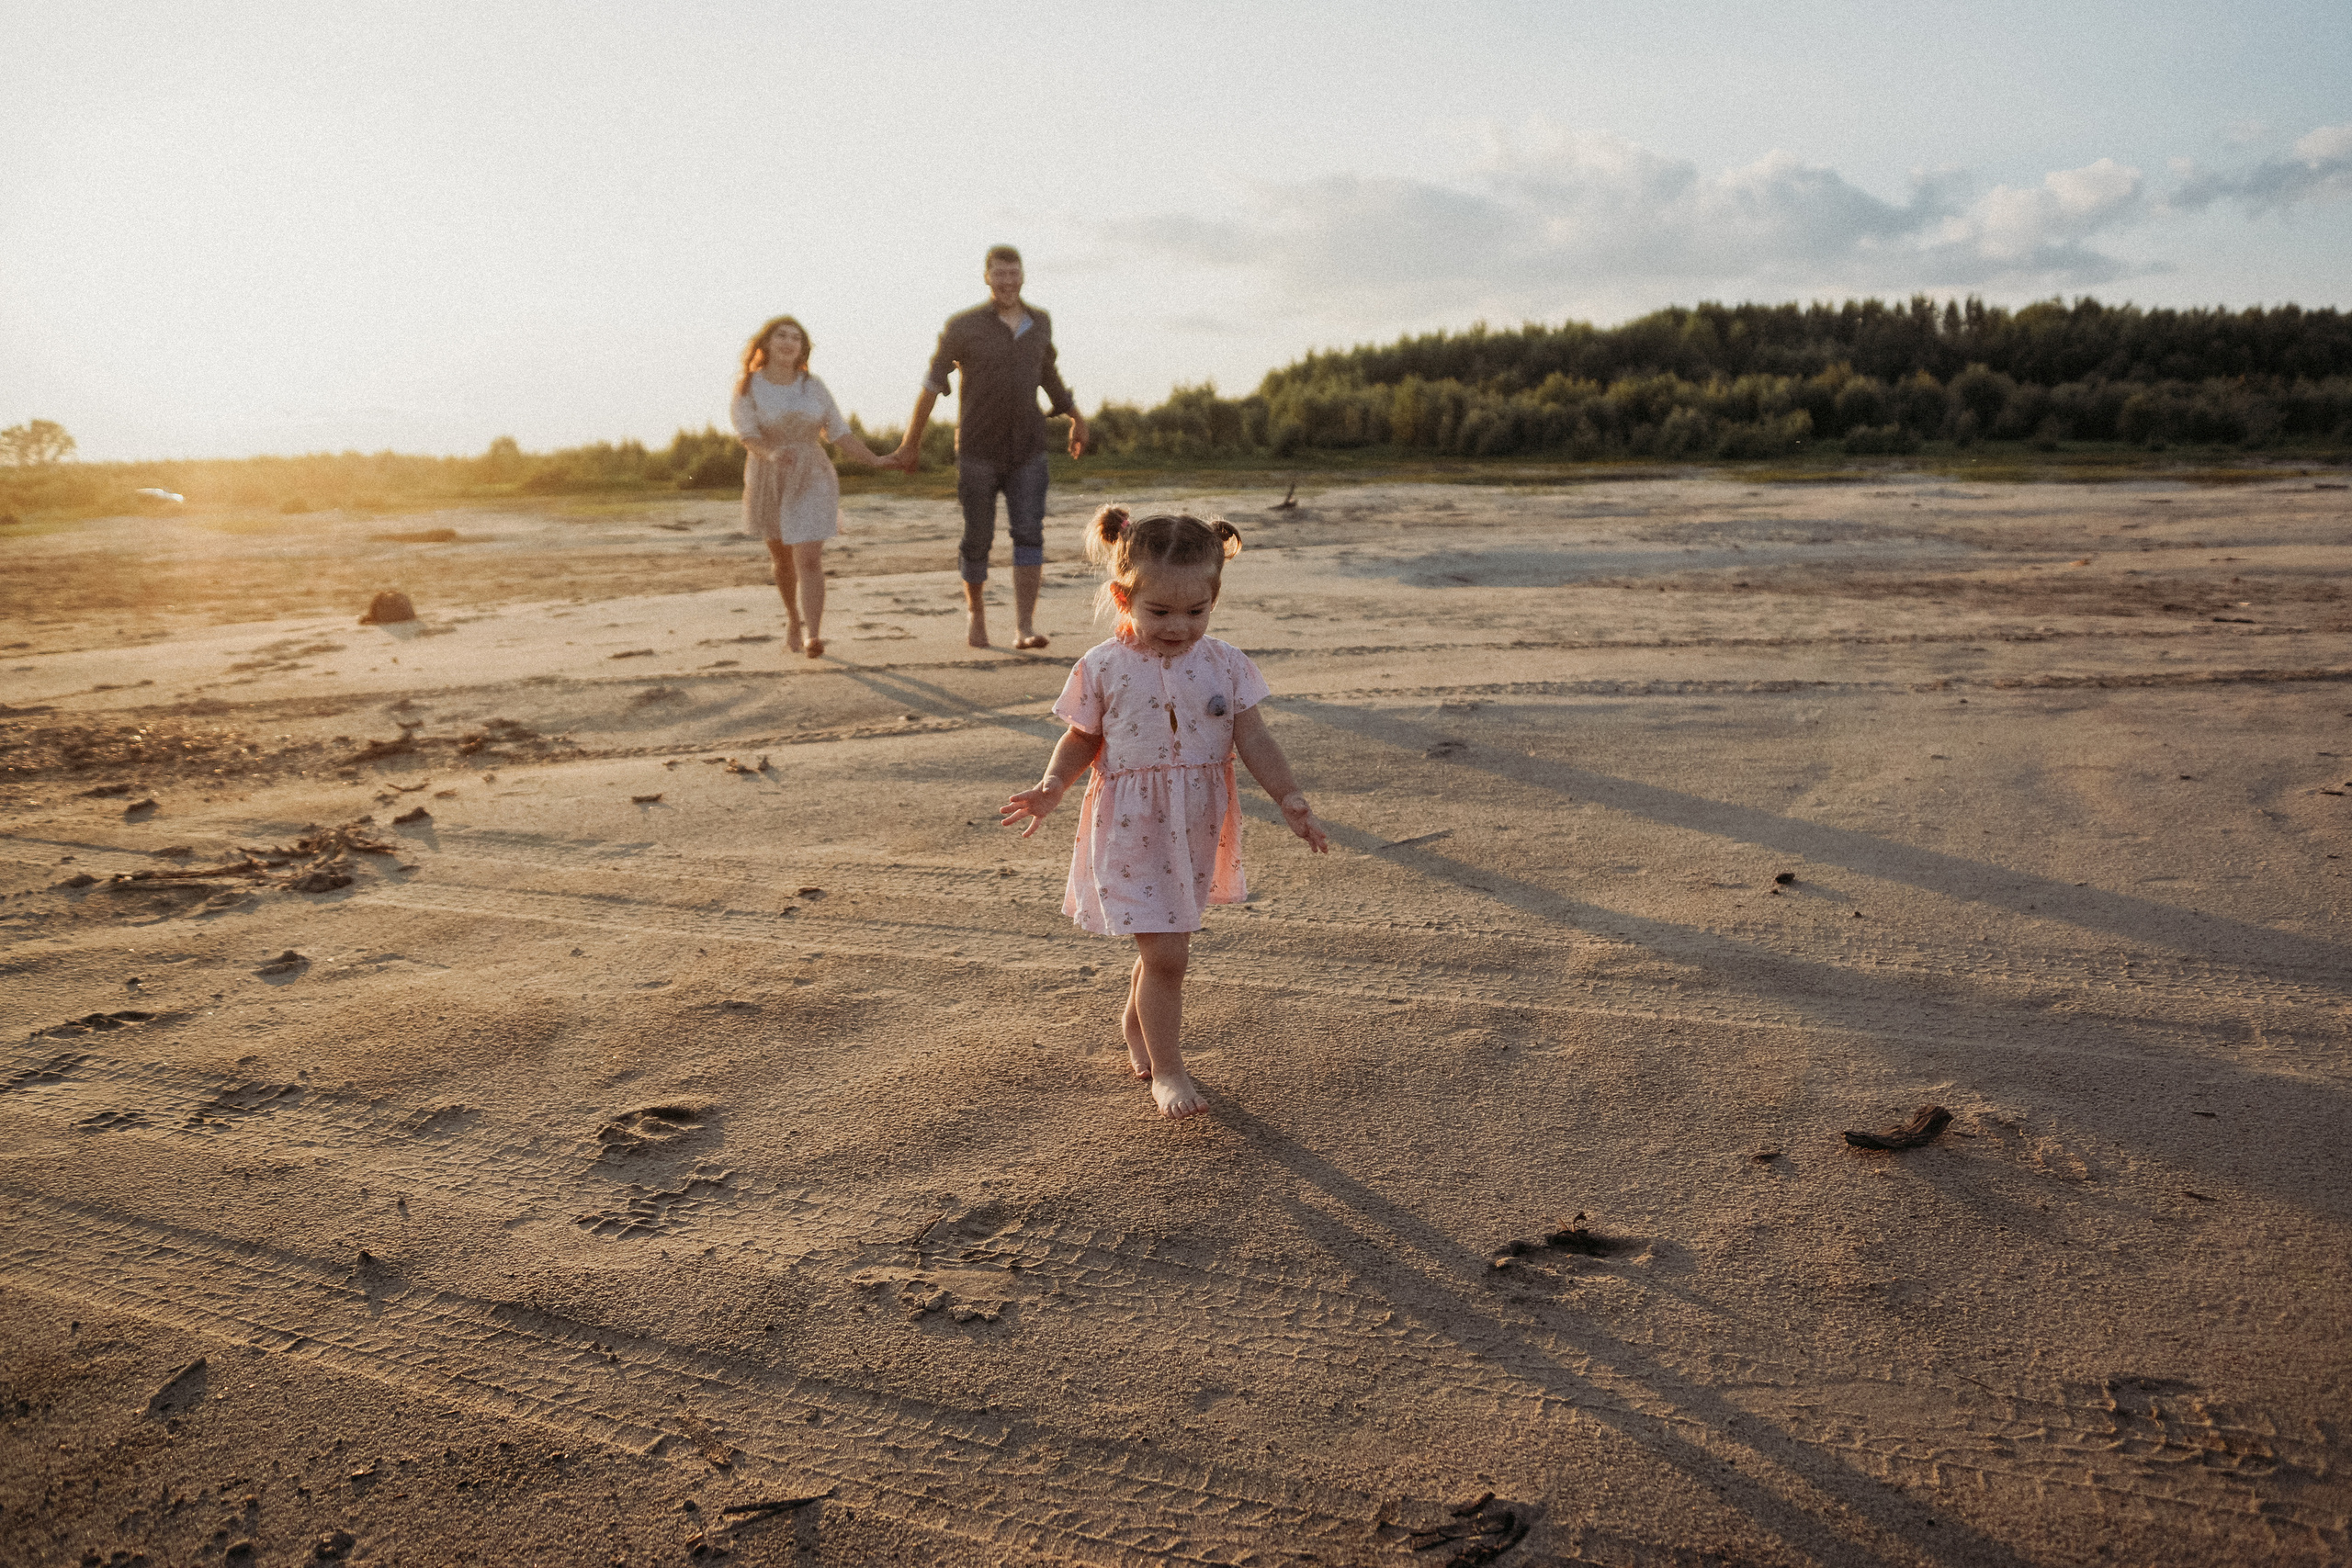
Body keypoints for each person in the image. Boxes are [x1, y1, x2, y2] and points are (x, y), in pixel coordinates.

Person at [1001, 507, 1330, 1119]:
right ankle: (1170, 1070)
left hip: (1194, 825)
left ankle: (1138, 1029)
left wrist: (1289, 796)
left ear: (1213, 598)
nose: (1179, 626)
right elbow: (1081, 738)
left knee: (1160, 946)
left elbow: (1252, 737)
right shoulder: (1103, 665)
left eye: (1195, 611)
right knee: (1168, 954)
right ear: (1123, 595)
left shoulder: (1225, 664)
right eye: (1160, 612)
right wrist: (1051, 785)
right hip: (1130, 825)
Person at [889, 245, 1089, 651]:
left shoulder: (1040, 322)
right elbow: (931, 384)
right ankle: (976, 614)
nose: (1008, 281)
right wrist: (911, 443)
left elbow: (1047, 373)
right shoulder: (963, 327)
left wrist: (1076, 418)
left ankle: (1024, 627)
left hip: (1029, 448)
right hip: (978, 448)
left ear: (1023, 276)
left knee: (1030, 534)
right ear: (987, 277)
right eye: (1000, 274)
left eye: (1014, 273)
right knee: (977, 536)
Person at [730, 314, 890, 658]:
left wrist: (874, 459)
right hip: (769, 474)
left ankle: (813, 635)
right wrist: (772, 454)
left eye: (796, 338)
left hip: (813, 473)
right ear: (766, 344)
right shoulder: (749, 387)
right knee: (782, 559)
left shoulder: (812, 386)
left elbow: (839, 432)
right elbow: (748, 436)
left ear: (803, 348)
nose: (789, 343)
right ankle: (793, 618)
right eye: (781, 336)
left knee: (808, 556)